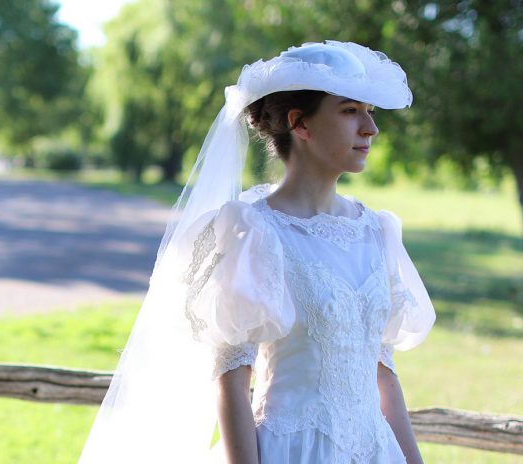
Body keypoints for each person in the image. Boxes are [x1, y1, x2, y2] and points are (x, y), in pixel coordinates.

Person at [79, 40, 436, 464]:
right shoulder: (254, 232)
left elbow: (384, 377)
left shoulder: (377, 231)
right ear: (299, 124)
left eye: (369, 113)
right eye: (349, 110)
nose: (370, 128)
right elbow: (231, 379)